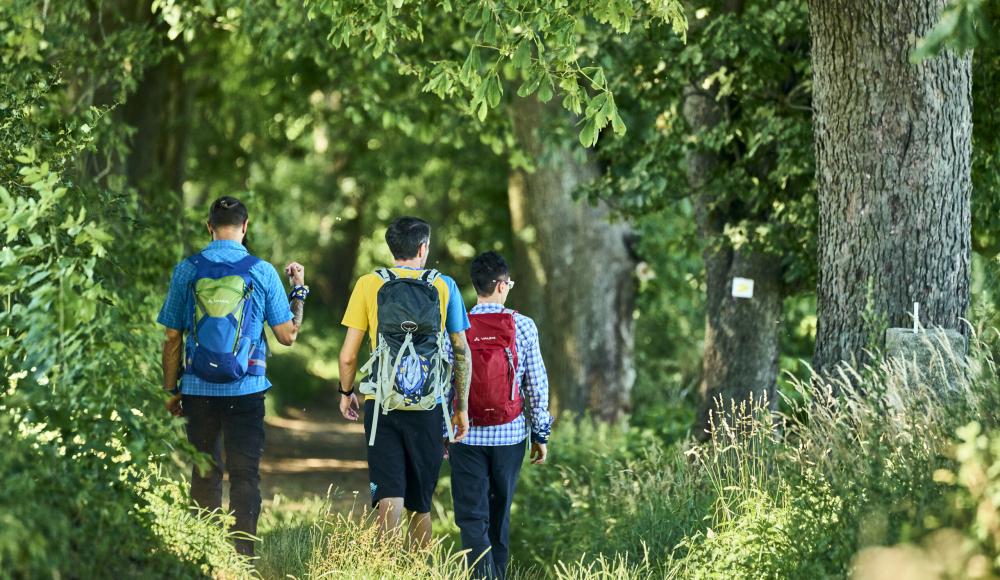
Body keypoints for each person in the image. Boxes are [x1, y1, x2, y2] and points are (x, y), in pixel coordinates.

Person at [158, 196, 308, 557]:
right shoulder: (261, 271)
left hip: (196, 387)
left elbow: (173, 336)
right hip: (248, 388)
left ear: (209, 226)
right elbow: (288, 336)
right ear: (246, 225)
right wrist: (299, 291)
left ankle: (203, 554)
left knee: (205, 470)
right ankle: (244, 556)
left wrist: (170, 388)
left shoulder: (188, 270)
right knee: (245, 475)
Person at [337, 216, 472, 548]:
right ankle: (420, 569)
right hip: (429, 407)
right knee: (420, 504)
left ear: (391, 248)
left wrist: (346, 392)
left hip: (382, 406)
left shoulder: (369, 284)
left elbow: (348, 356)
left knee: (387, 497)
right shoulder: (444, 285)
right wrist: (461, 408)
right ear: (423, 248)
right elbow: (462, 352)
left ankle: (386, 570)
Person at [449, 251, 553, 579]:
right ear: (500, 285)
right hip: (510, 436)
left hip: (465, 435)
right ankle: (498, 575)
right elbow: (536, 383)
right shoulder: (522, 325)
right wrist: (540, 434)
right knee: (499, 514)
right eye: (508, 283)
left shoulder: (456, 323)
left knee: (471, 517)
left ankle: (483, 575)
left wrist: (443, 431)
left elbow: (444, 382)